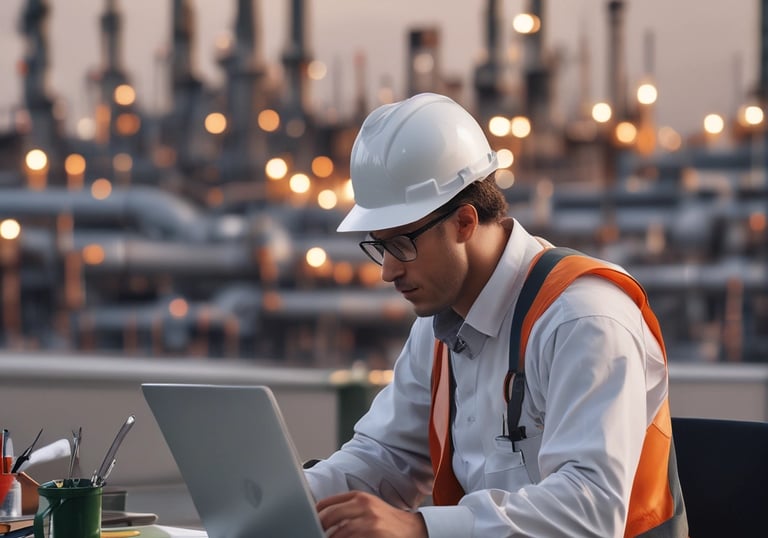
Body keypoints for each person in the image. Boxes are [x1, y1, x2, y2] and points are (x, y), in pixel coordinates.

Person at [304, 92, 687, 537]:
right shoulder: (438, 328)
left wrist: (420, 530)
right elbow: (386, 456)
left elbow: (591, 511)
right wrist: (288, 501)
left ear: (465, 222)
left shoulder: (582, 320)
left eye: (402, 244)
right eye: (380, 246)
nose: (388, 270)